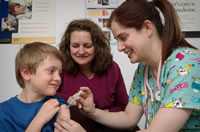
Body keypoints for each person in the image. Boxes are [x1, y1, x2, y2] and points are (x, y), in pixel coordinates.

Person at [75, 0, 200, 132]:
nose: (119, 48)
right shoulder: (143, 70)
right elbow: (129, 117)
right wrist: (92, 112)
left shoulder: (187, 64)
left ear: (147, 28)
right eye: (117, 41)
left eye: (123, 38)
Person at [57, 19, 139, 131]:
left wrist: (98, 112)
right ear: (68, 46)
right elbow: (48, 103)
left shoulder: (112, 68)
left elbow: (124, 108)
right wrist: (67, 104)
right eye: (75, 46)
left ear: (97, 46)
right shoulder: (60, 70)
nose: (81, 51)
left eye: (87, 46)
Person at [0, 42, 86, 132]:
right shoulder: (4, 112)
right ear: (26, 73)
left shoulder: (58, 102)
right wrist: (40, 119)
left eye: (60, 73)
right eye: (51, 71)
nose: (58, 78)